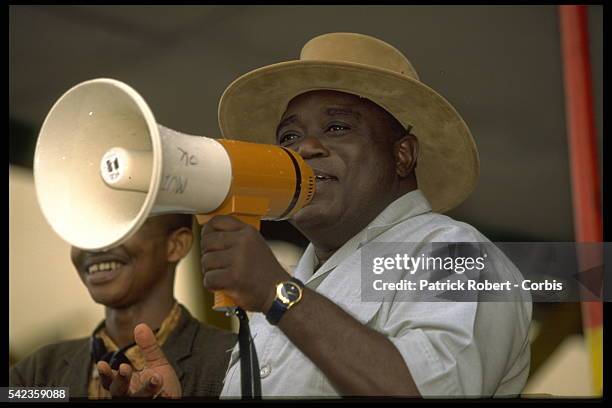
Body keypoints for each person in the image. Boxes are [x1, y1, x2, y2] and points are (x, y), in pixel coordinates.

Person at [99, 32, 532, 398]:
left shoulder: (458, 252)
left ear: (403, 155)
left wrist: (277, 293)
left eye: (338, 128)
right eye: (289, 136)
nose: (305, 149)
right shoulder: (293, 282)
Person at [9, 214, 236, 399]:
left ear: (176, 245)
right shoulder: (38, 371)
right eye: (84, 226)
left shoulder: (235, 360)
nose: (96, 244)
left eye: (123, 223)